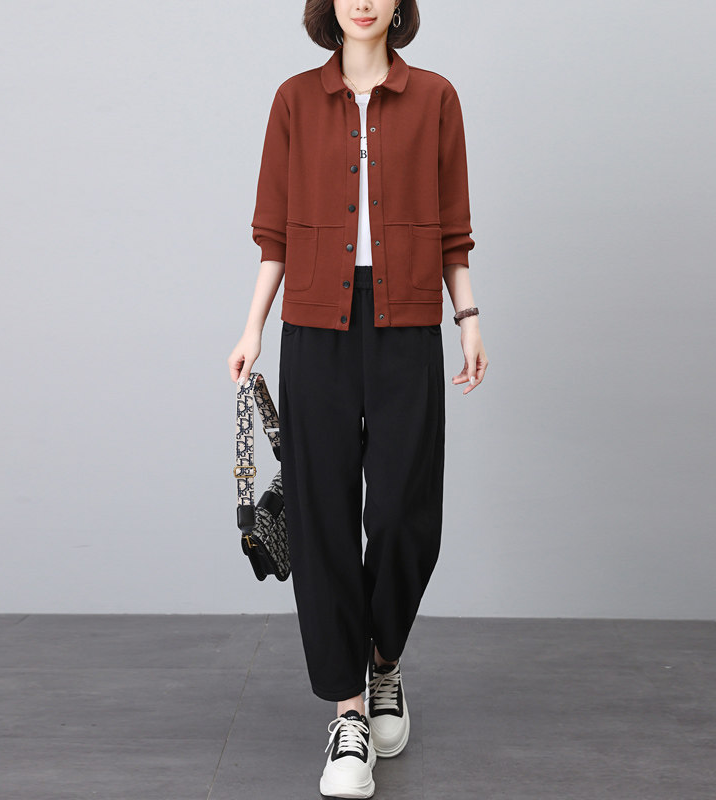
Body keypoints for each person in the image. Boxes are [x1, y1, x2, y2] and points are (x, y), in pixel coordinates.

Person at [227, 1, 488, 796]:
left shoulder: (436, 97)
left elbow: (453, 228)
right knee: (323, 516)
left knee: (407, 511)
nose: (364, 0)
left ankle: (382, 661)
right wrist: (252, 327)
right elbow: (274, 231)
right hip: (316, 323)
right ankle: (348, 714)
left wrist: (468, 318)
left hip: (408, 319)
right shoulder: (294, 100)